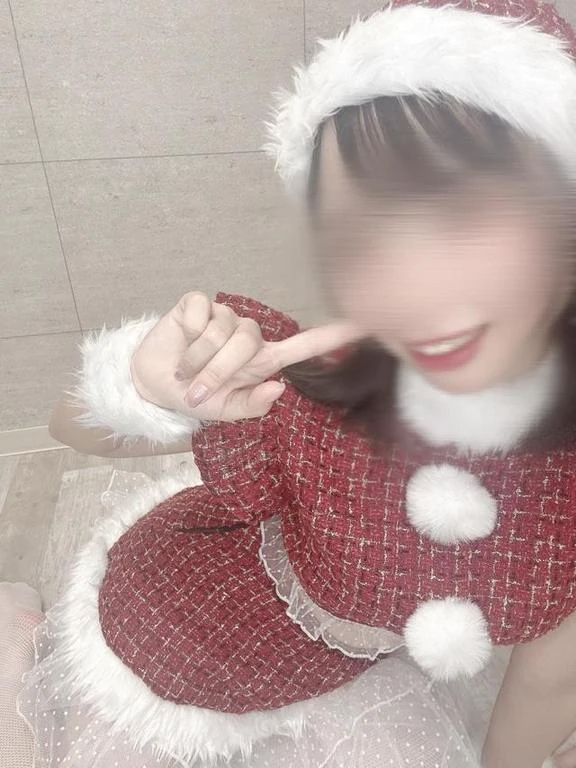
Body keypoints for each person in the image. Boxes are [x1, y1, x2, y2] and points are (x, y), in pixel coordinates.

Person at [10, 0, 576, 766]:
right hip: (160, 615)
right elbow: (67, 427)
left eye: (467, 213)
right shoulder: (302, 378)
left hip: (319, 680)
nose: (411, 284)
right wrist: (145, 386)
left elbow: (551, 683)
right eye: (363, 235)